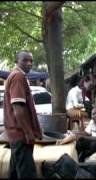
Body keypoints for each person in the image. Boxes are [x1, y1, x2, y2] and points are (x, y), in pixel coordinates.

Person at [3, 50, 42, 178]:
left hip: (16, 135)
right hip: (21, 136)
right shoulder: (18, 77)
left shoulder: (16, 76)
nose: (29, 63)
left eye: (31, 60)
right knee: (27, 174)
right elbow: (18, 109)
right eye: (25, 60)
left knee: (14, 173)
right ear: (16, 61)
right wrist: (28, 132)